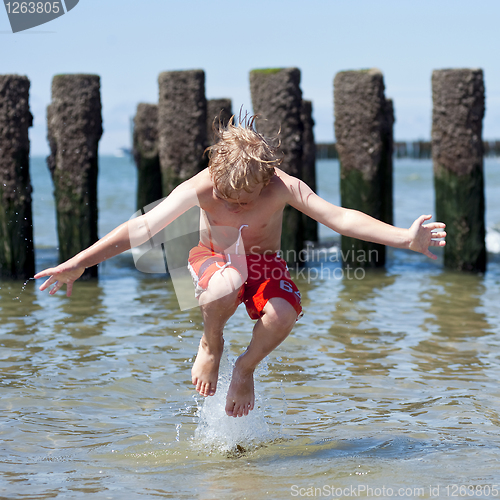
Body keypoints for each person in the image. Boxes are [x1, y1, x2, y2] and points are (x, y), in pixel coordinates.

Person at [35, 114, 446, 418]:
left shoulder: (283, 186)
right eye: (227, 197)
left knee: (285, 312)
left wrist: (404, 238)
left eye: (245, 199)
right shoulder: (201, 185)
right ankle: (211, 343)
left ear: (267, 178)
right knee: (228, 280)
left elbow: (340, 218)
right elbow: (140, 229)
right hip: (211, 258)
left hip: (264, 264)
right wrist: (77, 263)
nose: (235, 205)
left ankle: (244, 367)